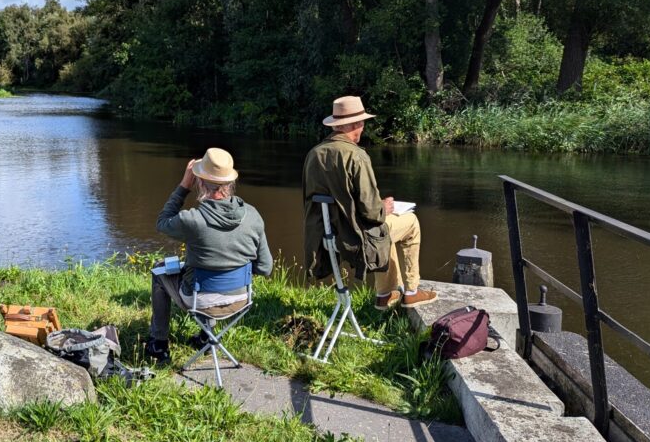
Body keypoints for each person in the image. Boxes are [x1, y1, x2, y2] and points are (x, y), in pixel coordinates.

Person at [302, 95, 435, 309]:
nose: (363, 127)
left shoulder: (313, 154)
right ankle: (411, 291)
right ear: (356, 124)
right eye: (362, 123)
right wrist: (385, 207)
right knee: (410, 222)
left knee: (386, 227)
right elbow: (372, 213)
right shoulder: (357, 156)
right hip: (354, 238)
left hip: (325, 238)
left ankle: (385, 295)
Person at [146, 147, 273, 365]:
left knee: (160, 271)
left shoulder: (192, 220)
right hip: (240, 299)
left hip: (200, 300)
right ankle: (206, 336)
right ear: (230, 182)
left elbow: (162, 222)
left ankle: (159, 344)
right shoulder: (253, 215)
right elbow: (265, 267)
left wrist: (183, 187)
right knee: (207, 273)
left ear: (200, 182)